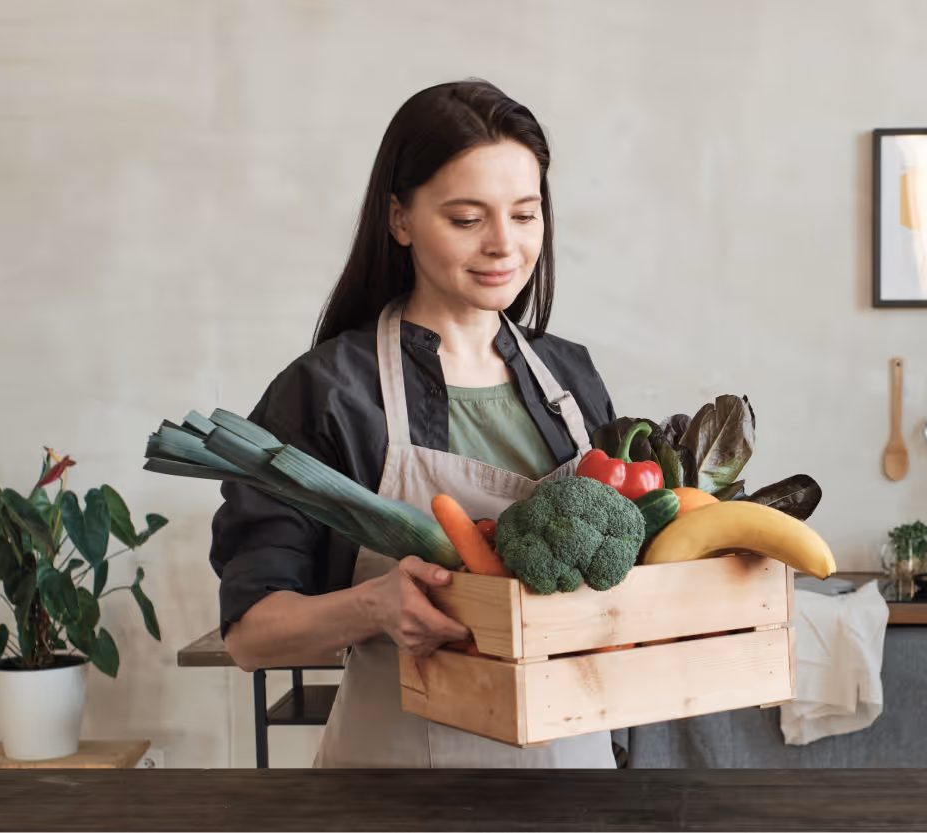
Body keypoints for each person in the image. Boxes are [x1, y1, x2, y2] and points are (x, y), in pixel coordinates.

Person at [209, 79, 619, 768]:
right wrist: (370, 607)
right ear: (399, 220)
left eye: (525, 214)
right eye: (467, 219)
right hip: (398, 786)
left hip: (577, 774)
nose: (503, 245)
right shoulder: (329, 392)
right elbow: (251, 635)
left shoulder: (571, 380)